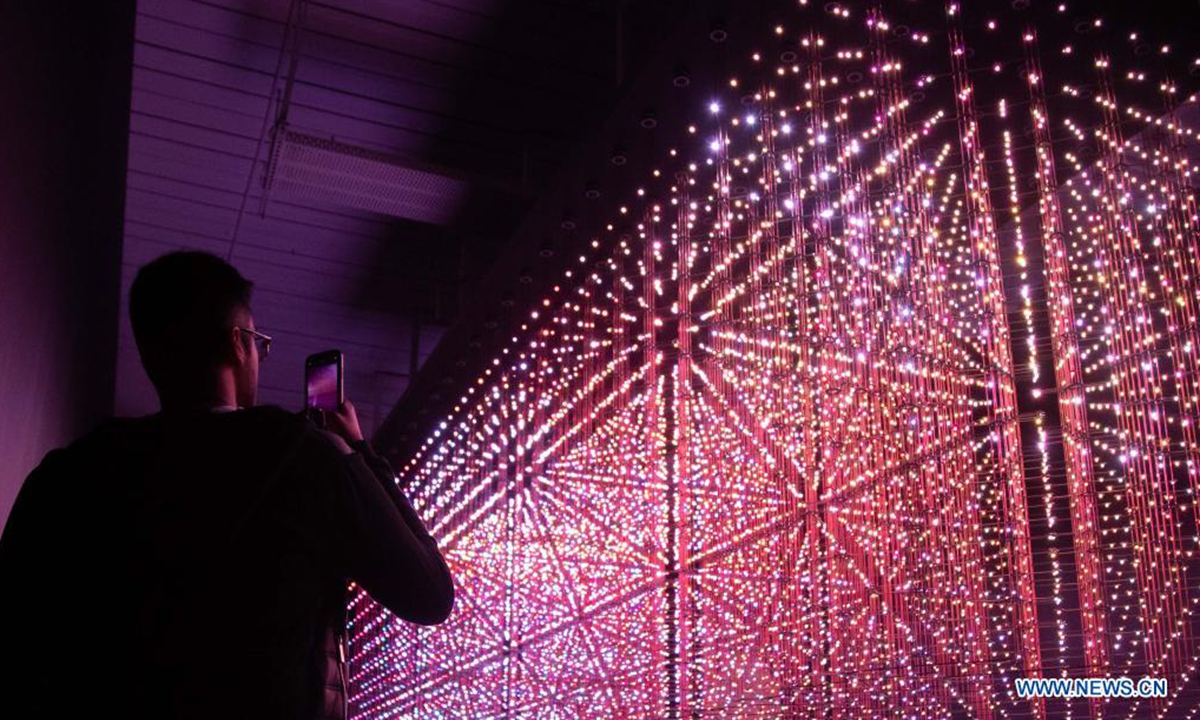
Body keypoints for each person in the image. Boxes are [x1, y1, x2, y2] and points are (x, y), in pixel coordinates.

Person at [0, 250, 454, 719]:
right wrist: (359, 452)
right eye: (258, 342)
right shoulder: (306, 458)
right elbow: (429, 593)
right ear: (238, 343)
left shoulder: (68, 475)